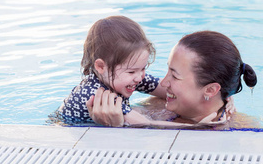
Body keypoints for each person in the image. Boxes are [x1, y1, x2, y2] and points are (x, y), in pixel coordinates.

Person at [59, 16, 226, 127]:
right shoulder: (93, 94)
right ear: (101, 67)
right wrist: (194, 127)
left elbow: (167, 90)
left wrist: (219, 95)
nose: (140, 77)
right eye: (132, 72)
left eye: (143, 68)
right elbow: (145, 124)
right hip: (69, 132)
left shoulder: (123, 76)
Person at [87, 30, 257, 128]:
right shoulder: (159, 105)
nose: (163, 83)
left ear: (211, 90)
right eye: (167, 70)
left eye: (174, 76)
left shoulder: (240, 130)